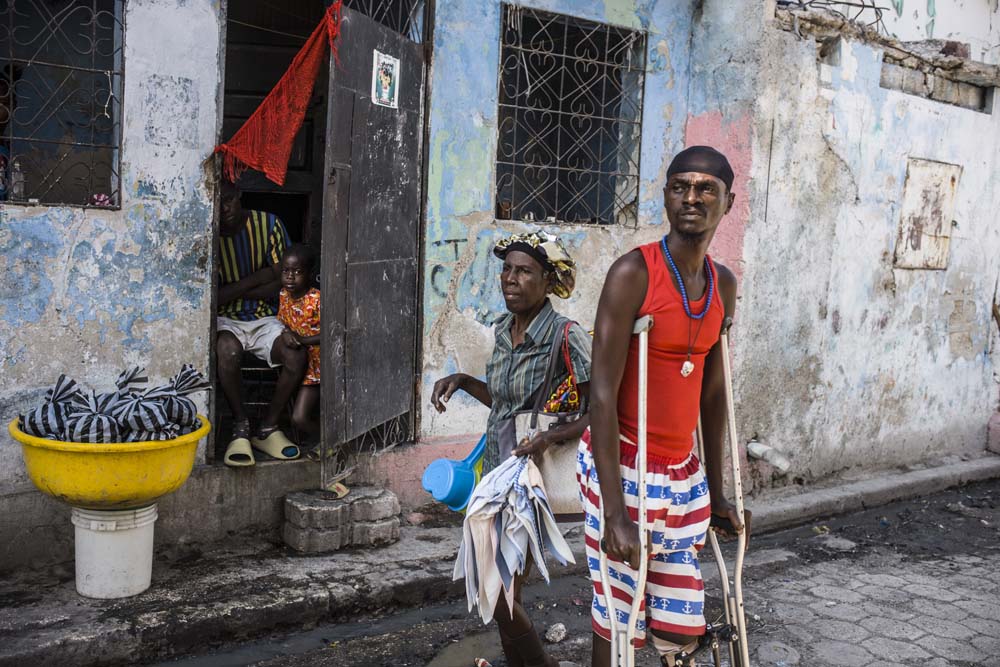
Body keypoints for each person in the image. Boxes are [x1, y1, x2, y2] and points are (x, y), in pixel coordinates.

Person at [582, 146, 751, 665]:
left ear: (728, 201)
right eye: (680, 187)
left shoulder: (722, 283)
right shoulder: (633, 273)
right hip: (623, 464)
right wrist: (614, 512)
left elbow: (713, 393)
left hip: (683, 474)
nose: (692, 198)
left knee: (680, 628)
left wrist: (718, 492)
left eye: (706, 189)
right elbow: (602, 393)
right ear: (666, 197)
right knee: (619, 615)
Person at [431, 232, 590, 667]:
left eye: (523, 271)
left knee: (497, 589)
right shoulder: (503, 330)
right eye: (506, 269)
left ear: (547, 280)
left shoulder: (565, 336)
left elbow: (599, 411)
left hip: (531, 477)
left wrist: (548, 438)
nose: (510, 279)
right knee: (501, 585)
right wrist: (463, 380)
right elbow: (506, 404)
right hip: (496, 470)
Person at [216, 180, 304, 466]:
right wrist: (259, 277)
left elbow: (284, 284)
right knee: (227, 352)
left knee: (295, 354)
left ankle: (268, 426)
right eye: (218, 201)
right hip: (225, 318)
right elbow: (213, 297)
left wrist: (234, 287)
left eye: (228, 199)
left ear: (239, 194)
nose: (224, 207)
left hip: (266, 317)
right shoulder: (209, 232)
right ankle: (240, 424)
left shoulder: (269, 225)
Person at [276, 244, 321, 438]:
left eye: (297, 272)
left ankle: (331, 446)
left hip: (316, 368)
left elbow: (331, 333)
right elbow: (283, 323)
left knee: (300, 418)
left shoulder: (317, 299)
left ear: (310, 274)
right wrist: (287, 334)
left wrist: (302, 339)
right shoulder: (283, 296)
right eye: (286, 270)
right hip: (297, 363)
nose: (290, 277)